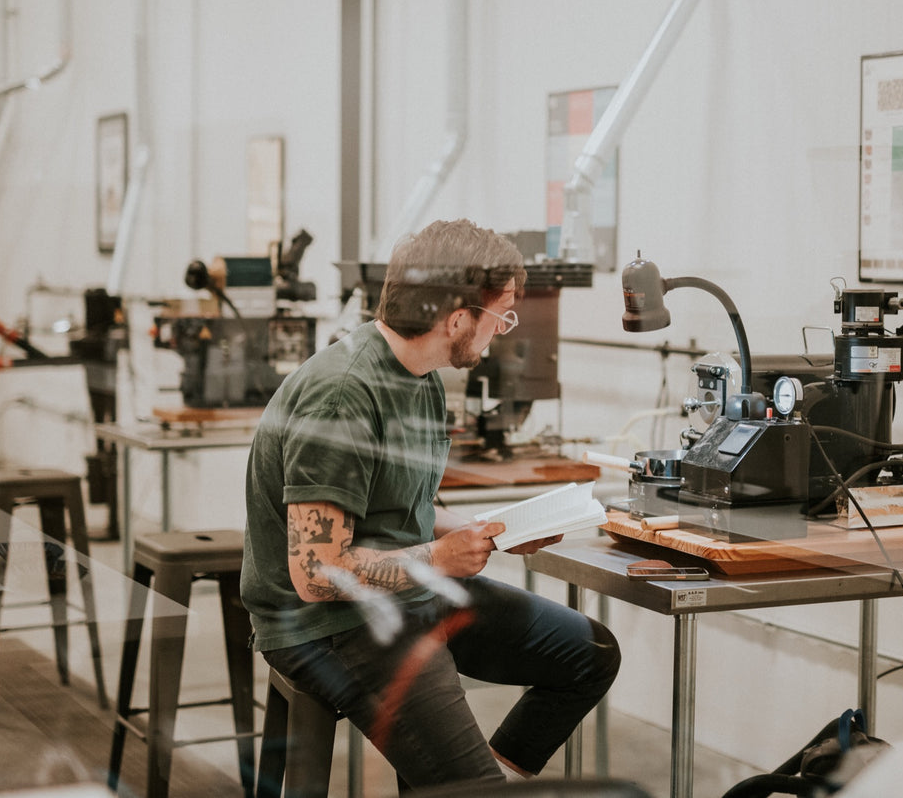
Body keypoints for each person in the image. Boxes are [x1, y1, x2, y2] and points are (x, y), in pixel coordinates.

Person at [241, 218, 621, 790]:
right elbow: (317, 575)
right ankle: (464, 782)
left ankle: (472, 774)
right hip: (326, 625)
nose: (503, 332)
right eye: (502, 316)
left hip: (406, 591)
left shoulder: (422, 379)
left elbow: (406, 504)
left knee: (589, 654)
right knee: (466, 787)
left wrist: (489, 531)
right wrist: (441, 559)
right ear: (459, 317)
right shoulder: (342, 395)